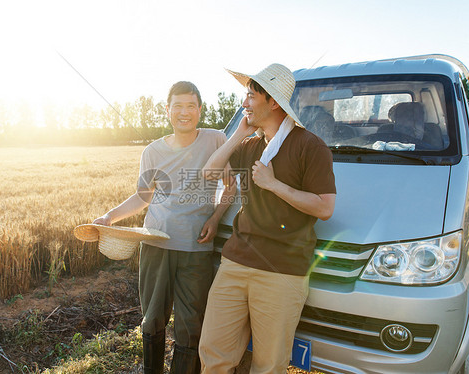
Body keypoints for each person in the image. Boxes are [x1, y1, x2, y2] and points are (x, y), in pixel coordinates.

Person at [198, 64, 337, 373]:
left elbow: (325, 207)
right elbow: (209, 172)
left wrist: (275, 185)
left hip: (282, 272)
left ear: (272, 101)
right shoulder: (248, 145)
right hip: (235, 262)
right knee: (213, 353)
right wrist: (238, 134)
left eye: (250, 96)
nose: (244, 103)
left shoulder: (310, 147)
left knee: (268, 365)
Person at [93, 81, 236, 374]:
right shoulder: (153, 151)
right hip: (156, 245)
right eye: (178, 106)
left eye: (191, 106)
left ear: (199, 109)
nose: (184, 112)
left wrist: (215, 218)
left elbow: (231, 187)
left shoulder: (216, 140)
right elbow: (143, 196)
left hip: (195, 248)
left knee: (191, 324)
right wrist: (109, 217)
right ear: (168, 110)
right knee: (153, 319)